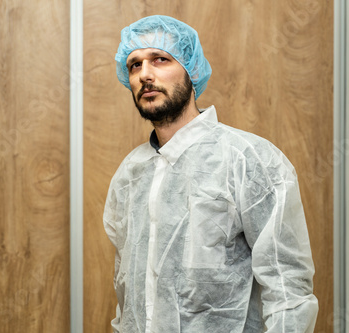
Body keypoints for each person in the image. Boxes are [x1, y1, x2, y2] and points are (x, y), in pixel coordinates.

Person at [103, 15, 318, 333]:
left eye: (160, 59)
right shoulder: (130, 174)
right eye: (134, 65)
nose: (145, 74)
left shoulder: (248, 160)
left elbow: (288, 292)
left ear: (191, 70)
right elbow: (129, 289)